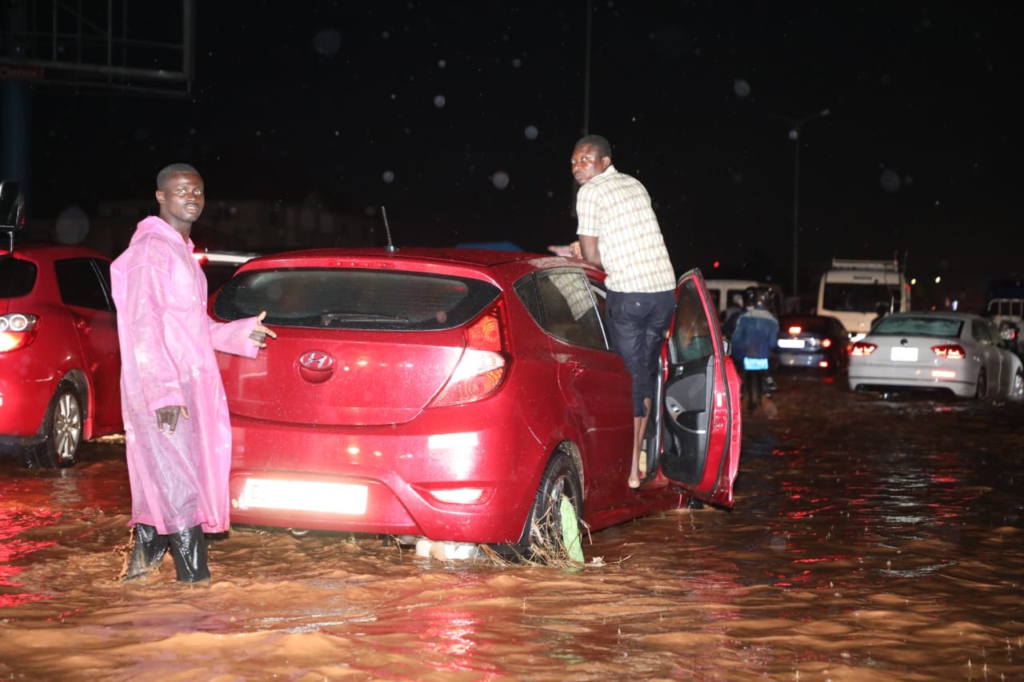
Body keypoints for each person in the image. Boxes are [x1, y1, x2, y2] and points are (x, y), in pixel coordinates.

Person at [112, 163, 276, 584]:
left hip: (184, 387)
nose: (193, 197)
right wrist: (164, 393)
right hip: (162, 391)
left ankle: (135, 586)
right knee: (180, 487)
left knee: (162, 488)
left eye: (199, 190)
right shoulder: (150, 251)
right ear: (161, 196)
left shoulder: (180, 252)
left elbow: (191, 326)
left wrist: (241, 333)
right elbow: (142, 324)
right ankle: (196, 593)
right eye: (182, 189)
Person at [566, 134, 677, 490]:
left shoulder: (590, 193)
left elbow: (592, 259)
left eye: (584, 159)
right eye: (573, 162)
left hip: (630, 294)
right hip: (663, 292)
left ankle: (630, 469)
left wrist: (577, 250)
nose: (578, 167)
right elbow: (625, 237)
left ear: (604, 162)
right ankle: (639, 459)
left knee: (629, 380)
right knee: (643, 373)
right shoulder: (634, 184)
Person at [730, 288, 779, 412]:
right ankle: (768, 383)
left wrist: (736, 348)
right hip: (764, 356)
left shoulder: (743, 317)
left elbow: (736, 338)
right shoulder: (773, 321)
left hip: (744, 354)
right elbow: (773, 343)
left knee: (737, 374)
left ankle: (740, 393)